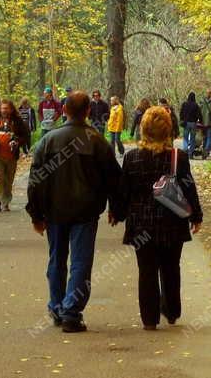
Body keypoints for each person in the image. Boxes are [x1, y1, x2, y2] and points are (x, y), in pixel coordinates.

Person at [26, 91, 121, 333]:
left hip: (54, 211)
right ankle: (70, 310)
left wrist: (36, 214)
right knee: (80, 261)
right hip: (85, 211)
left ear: (64, 110)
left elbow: (35, 181)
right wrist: (116, 207)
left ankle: (58, 306)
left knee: (57, 258)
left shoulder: (48, 141)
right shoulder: (97, 141)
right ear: (88, 111)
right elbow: (114, 178)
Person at [111, 106, 203, 330]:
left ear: (144, 129)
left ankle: (149, 319)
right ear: (168, 130)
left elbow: (124, 191)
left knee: (147, 270)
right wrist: (196, 215)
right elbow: (188, 187)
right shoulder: (177, 157)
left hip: (142, 224)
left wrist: (117, 212)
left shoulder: (132, 158)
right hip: (171, 223)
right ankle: (171, 311)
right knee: (171, 267)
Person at [0, 99, 30, 212]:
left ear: (11, 109)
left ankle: (5, 203)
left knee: (8, 180)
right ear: (0, 108)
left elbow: (25, 136)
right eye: (2, 108)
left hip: (11, 155)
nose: (4, 110)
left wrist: (17, 142)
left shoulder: (18, 121)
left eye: (6, 108)